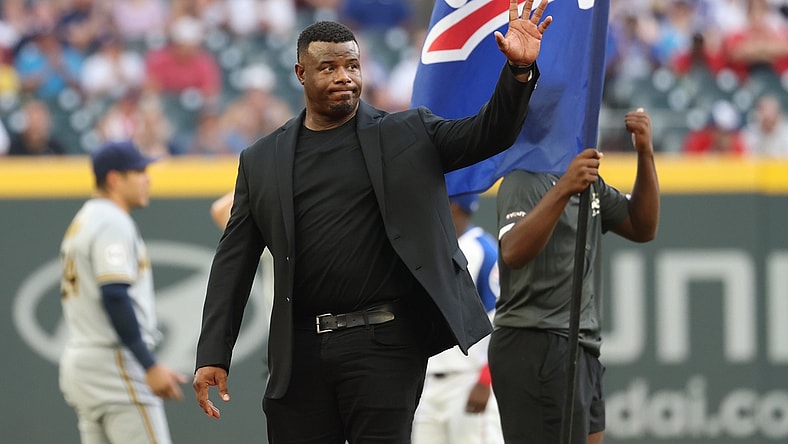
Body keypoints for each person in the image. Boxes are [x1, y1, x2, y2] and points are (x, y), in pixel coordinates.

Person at [193, 2, 553, 441]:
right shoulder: (261, 159)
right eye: (329, 67)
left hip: (385, 343)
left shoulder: (407, 132)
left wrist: (518, 73)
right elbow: (234, 261)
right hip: (300, 349)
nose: (345, 76)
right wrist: (213, 352)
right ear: (301, 74)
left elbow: (489, 132)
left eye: (352, 64)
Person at [489, 108, 660, 444]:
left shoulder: (588, 184)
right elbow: (513, 252)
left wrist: (645, 153)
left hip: (582, 344)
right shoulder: (524, 178)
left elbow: (643, 227)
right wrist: (564, 188)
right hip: (533, 339)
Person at [59, 141, 187, 444]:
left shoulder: (84, 219)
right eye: (139, 171)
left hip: (83, 360)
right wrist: (149, 364)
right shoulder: (111, 220)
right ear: (115, 179)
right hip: (115, 362)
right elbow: (114, 294)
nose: (147, 178)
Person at [412, 193, 503, 444]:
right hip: (428, 384)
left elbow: (500, 322)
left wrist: (485, 380)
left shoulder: (482, 250)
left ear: (451, 206)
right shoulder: (428, 250)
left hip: (468, 381)